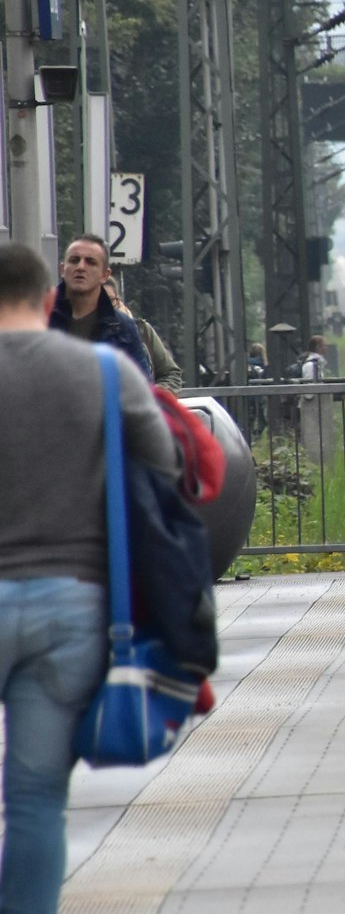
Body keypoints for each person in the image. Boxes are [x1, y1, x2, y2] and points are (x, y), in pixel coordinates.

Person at [0, 242, 178, 914]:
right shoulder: (106, 371)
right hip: (71, 606)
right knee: (37, 796)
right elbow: (161, 476)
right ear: (45, 294)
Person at [46, 234, 150, 381]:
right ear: (62, 269)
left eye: (91, 262)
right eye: (74, 260)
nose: (80, 267)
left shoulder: (122, 327)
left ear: (105, 275)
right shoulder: (39, 320)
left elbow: (142, 388)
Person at [101, 277, 182, 394]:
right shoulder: (77, 335)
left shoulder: (141, 330)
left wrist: (154, 396)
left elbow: (170, 374)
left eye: (111, 300)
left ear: (119, 301)